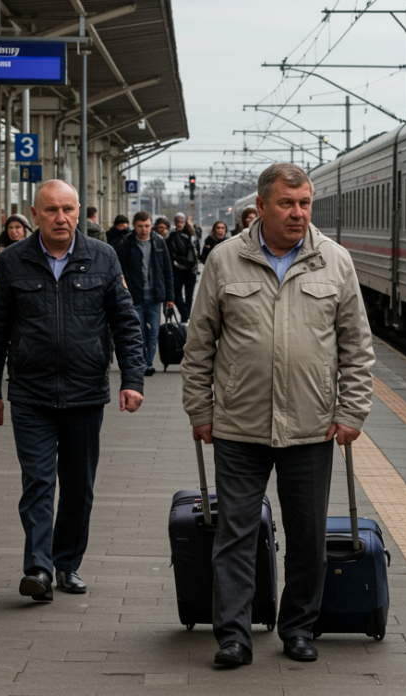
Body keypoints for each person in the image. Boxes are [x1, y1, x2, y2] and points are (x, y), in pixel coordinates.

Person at [182, 163, 375, 667]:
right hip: (238, 427)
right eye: (287, 204)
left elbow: (357, 346)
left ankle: (299, 628)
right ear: (262, 206)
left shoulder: (335, 262)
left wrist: (352, 410)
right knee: (236, 535)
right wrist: (199, 408)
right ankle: (233, 635)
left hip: (310, 427)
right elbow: (199, 344)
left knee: (308, 538)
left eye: (305, 203)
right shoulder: (225, 261)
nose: (298, 213)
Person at [0, 179, 146, 602]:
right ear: (34, 215)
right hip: (31, 393)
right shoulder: (14, 261)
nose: (61, 218)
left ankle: (67, 563)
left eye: (68, 209)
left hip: (86, 392)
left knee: (77, 486)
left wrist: (132, 379)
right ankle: (37, 566)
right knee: (37, 481)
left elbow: (125, 323)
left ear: (79, 212)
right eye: (51, 210)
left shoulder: (103, 257)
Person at [114, 211, 174, 376]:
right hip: (135, 296)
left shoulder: (159, 242)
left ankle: (148, 363)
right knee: (137, 332)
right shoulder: (126, 243)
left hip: (155, 295)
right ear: (134, 226)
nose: (144, 229)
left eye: (147, 225)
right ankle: (140, 363)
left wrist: (170, 297)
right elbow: (118, 270)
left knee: (153, 332)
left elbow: (167, 270)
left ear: (151, 225)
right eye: (140, 226)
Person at [167, 212, 200, 322]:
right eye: (177, 222)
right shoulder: (172, 236)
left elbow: (196, 252)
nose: (179, 224)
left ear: (185, 223)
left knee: (189, 295)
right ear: (175, 223)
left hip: (190, 270)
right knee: (177, 295)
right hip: (177, 270)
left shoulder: (191, 236)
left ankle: (185, 319)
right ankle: (185, 315)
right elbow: (171, 253)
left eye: (181, 222)